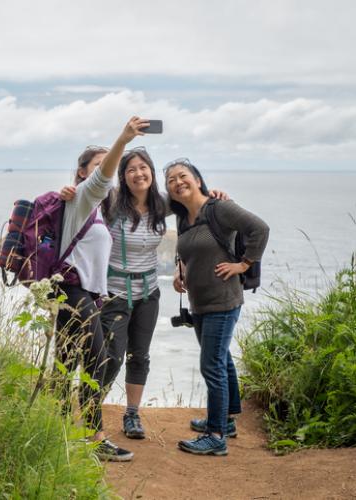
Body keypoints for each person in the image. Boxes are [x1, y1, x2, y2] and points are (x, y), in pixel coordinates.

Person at [60, 150, 228, 441]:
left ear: (151, 172)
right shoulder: (112, 202)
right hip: (114, 292)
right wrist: (70, 190)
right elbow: (87, 193)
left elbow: (192, 202)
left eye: (143, 168)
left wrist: (210, 193)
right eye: (131, 170)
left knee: (140, 356)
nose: (139, 174)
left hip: (149, 292)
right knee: (110, 358)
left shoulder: (162, 204)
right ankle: (91, 411)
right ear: (123, 177)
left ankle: (132, 414)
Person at [54, 116, 149, 462]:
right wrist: (122, 141)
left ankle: (59, 432)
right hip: (72, 291)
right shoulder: (83, 196)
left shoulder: (96, 209)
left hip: (80, 293)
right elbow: (103, 177)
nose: (105, 173)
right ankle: (93, 437)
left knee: (65, 362)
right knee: (97, 358)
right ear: (83, 173)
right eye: (97, 166)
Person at [165, 158, 269, 456]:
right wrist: (178, 270)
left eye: (183, 175)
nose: (177, 182)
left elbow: (260, 229)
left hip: (223, 301)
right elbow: (183, 250)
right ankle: (225, 420)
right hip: (200, 302)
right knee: (221, 360)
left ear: (198, 179)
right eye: (171, 180)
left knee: (211, 365)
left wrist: (243, 264)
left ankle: (216, 435)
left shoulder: (219, 208)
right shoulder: (183, 218)